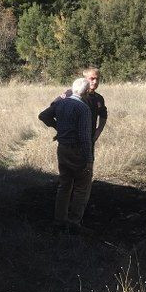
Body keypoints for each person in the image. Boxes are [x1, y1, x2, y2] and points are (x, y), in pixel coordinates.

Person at [38, 77, 94, 234]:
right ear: (87, 91)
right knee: (82, 187)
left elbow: (43, 116)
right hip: (77, 151)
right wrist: (89, 160)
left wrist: (59, 128)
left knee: (64, 185)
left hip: (62, 149)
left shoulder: (61, 103)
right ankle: (74, 222)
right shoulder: (83, 108)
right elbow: (84, 137)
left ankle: (59, 220)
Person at [52, 66, 108, 151]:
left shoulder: (99, 98)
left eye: (97, 79)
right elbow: (53, 107)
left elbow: (103, 115)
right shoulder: (72, 93)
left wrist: (99, 130)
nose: (95, 82)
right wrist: (61, 129)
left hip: (89, 140)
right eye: (92, 79)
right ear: (85, 79)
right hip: (71, 142)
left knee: (88, 163)